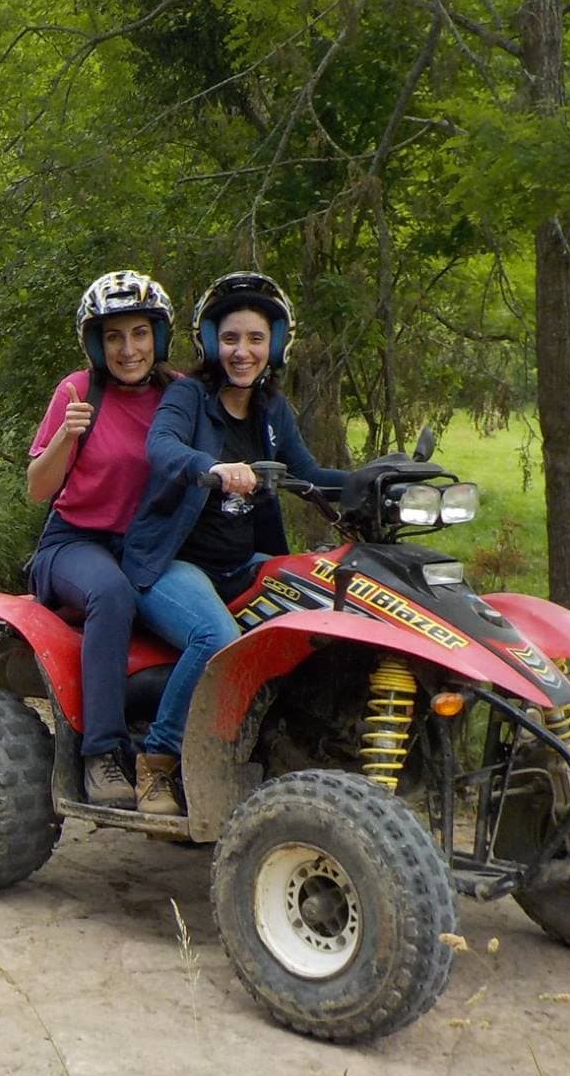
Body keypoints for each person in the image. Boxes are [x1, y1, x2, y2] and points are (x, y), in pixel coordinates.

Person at [121, 273, 348, 814]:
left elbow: (310, 473)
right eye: (229, 339)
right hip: (170, 562)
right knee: (215, 636)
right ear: (208, 341)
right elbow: (162, 446)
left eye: (254, 339)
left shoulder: (273, 412)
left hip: (240, 563)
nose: (242, 352)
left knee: (330, 602)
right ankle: (158, 762)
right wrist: (212, 467)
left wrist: (381, 481)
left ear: (274, 343)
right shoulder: (188, 396)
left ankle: (290, 751)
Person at [24, 271, 176, 809]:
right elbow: (37, 488)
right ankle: (101, 754)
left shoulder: (178, 396)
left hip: (148, 546)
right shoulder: (78, 391)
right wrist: (67, 434)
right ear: (97, 343)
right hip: (74, 543)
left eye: (138, 333)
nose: (128, 349)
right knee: (111, 593)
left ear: (158, 336)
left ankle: (177, 754)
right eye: (113, 336)